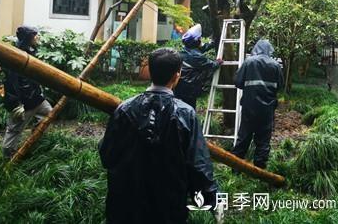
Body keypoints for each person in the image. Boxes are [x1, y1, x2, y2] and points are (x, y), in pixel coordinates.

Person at [99, 48, 218, 224]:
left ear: (151, 72)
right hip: (167, 207)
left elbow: (107, 154)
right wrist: (212, 200)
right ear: (178, 75)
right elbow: (198, 166)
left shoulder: (125, 109)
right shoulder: (185, 114)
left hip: (125, 204)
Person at [231, 39, 284, 169]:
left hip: (250, 106)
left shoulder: (249, 62)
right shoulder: (275, 65)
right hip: (267, 108)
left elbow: (238, 82)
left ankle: (236, 167)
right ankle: (260, 170)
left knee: (244, 136)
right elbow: (280, 86)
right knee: (264, 139)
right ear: (269, 50)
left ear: (256, 48)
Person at [2, 26, 53, 159]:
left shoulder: (31, 52)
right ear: (28, 37)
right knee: (14, 130)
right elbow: (10, 83)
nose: (38, 37)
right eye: (35, 35)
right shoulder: (15, 56)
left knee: (49, 114)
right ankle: (7, 158)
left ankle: (34, 144)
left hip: (36, 99)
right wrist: (15, 104)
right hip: (23, 103)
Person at [174, 24, 223, 109]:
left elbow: (202, 48)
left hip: (178, 88)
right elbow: (212, 65)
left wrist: (212, 42)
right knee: (189, 109)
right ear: (196, 42)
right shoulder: (197, 57)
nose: (201, 40)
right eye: (200, 39)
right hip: (189, 90)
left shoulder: (185, 51)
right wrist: (218, 62)